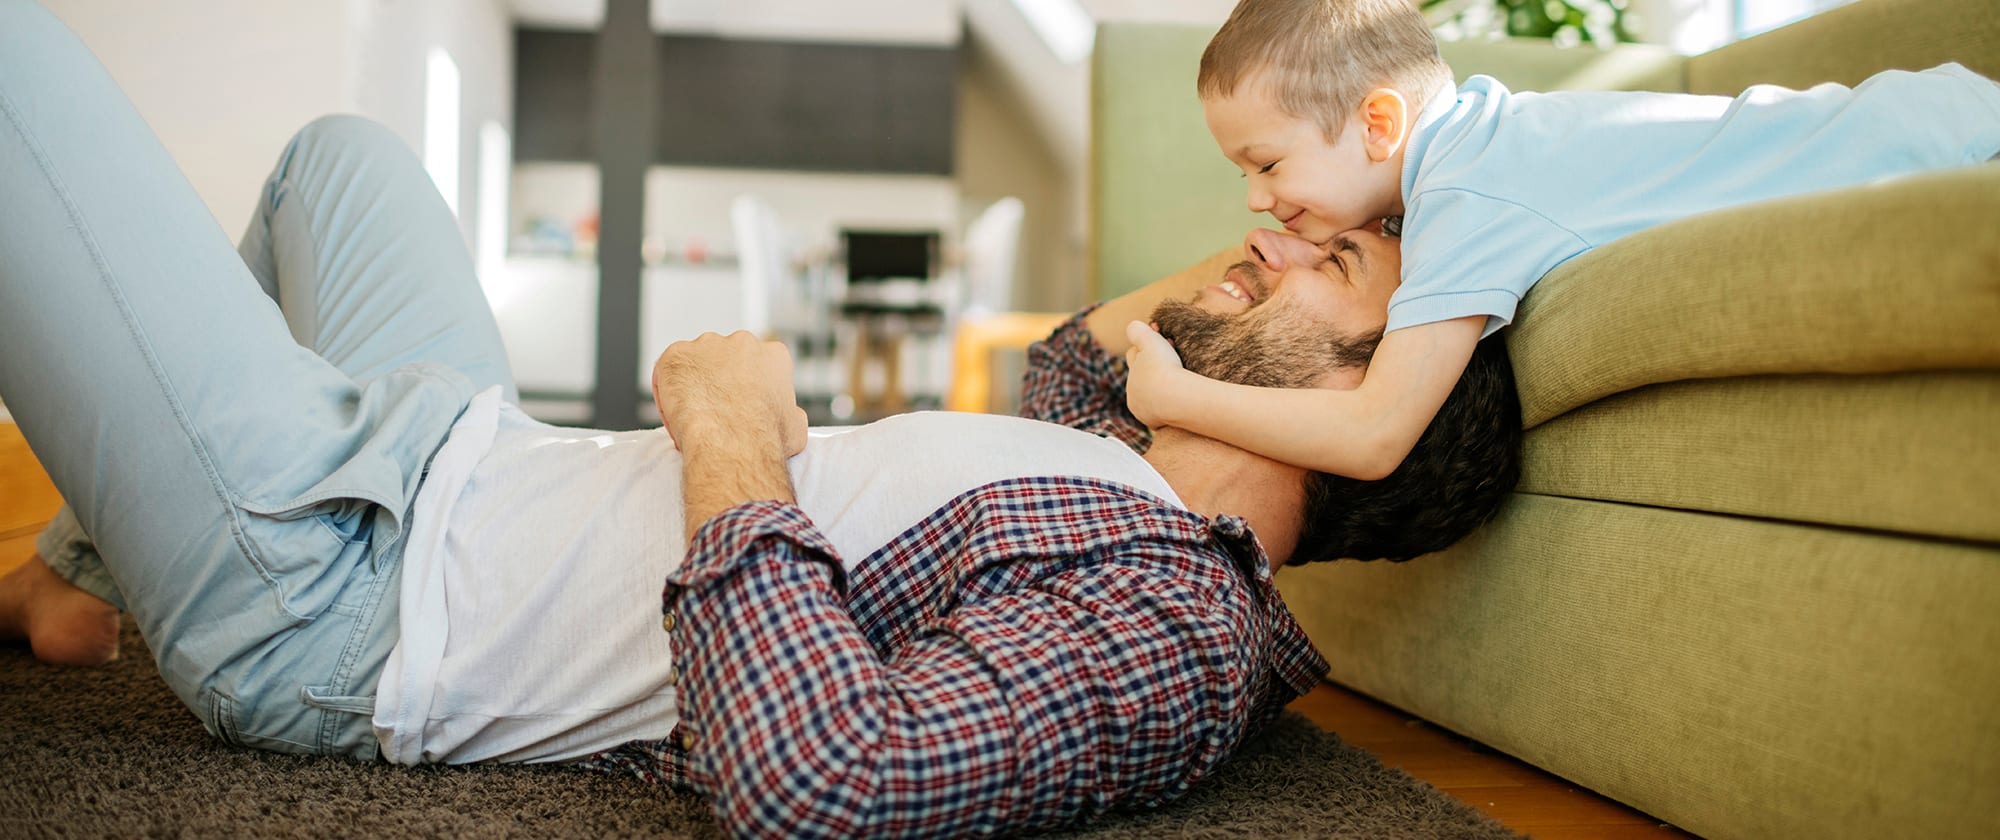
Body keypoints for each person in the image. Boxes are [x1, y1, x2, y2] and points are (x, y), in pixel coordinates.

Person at [0, 1, 1521, 836]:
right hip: (463, 449)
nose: (1264, 232)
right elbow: (1131, 320)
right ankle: (73, 578)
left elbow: (830, 781)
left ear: (1368, 396)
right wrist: (1363, 197)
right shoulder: (1111, 437)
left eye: (1331, 263)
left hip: (351, 592)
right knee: (344, 158)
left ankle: (137, 554)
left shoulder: (1177, 619)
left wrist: (730, 439)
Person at [1119, 0, 2000, 484]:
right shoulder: (1489, 143)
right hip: (1944, 121)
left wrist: (1174, 396)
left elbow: (1374, 434)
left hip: (1956, 153)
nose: (1257, 199)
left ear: (1380, 122)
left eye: (1266, 163)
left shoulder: (1467, 190)